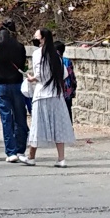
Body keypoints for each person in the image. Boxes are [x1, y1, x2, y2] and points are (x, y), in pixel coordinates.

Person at [24, 29, 76, 167]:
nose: (34, 38)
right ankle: (61, 158)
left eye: (36, 36)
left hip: (41, 94)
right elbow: (64, 74)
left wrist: (32, 78)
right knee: (58, 126)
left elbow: (39, 74)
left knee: (37, 125)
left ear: (43, 39)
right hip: (56, 94)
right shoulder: (56, 55)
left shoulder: (37, 54)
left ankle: (31, 157)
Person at [0, 20, 30, 162]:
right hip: (17, 83)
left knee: (6, 118)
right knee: (20, 116)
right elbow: (22, 64)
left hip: (1, 84)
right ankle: (20, 149)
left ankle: (10, 152)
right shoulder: (19, 47)